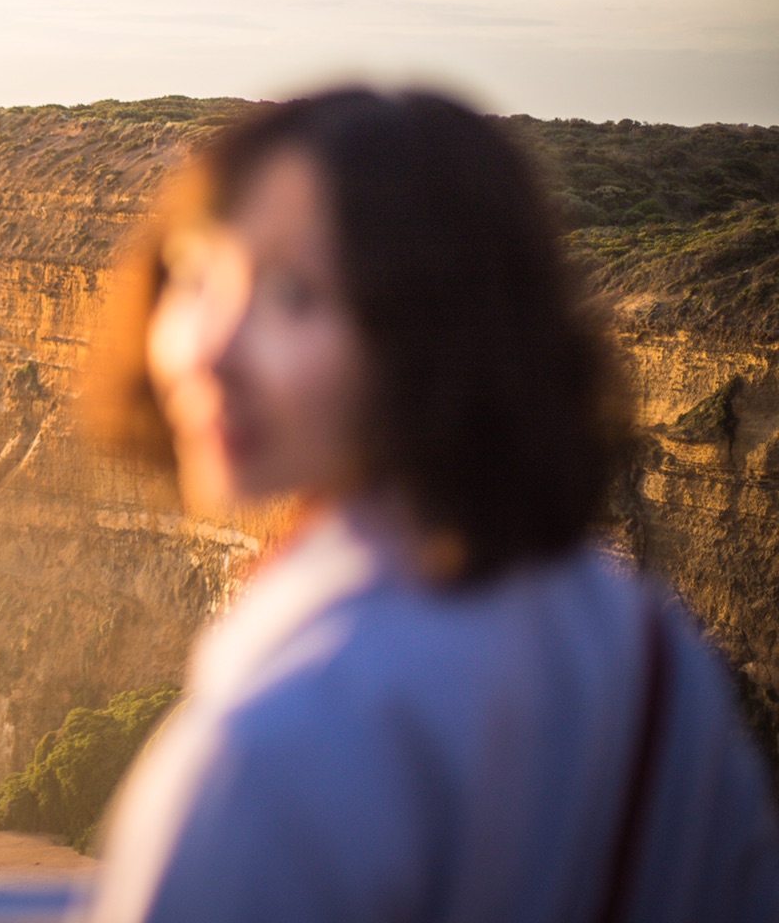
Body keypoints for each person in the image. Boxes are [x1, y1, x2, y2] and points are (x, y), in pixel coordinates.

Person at [83, 88, 779, 922]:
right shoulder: (650, 649)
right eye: (196, 276)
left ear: (433, 335)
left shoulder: (284, 742)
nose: (212, 347)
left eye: (292, 294)